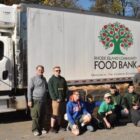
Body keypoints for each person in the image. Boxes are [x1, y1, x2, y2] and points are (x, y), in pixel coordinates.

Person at [28, 65, 49, 136]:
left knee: (43, 115)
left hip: (43, 100)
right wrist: (29, 100)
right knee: (36, 116)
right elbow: (29, 90)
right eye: (39, 70)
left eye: (42, 70)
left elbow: (46, 88)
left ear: (43, 71)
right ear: (36, 71)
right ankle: (35, 130)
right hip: (36, 100)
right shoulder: (33, 79)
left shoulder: (44, 79)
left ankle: (42, 128)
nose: (40, 71)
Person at [48, 66, 67, 133]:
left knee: (61, 114)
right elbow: (51, 91)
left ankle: (60, 126)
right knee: (54, 114)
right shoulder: (51, 80)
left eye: (59, 70)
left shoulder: (62, 79)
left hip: (62, 100)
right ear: (53, 71)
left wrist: (65, 97)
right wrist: (55, 98)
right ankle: (52, 128)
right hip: (55, 101)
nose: (58, 71)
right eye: (56, 70)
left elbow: (65, 89)